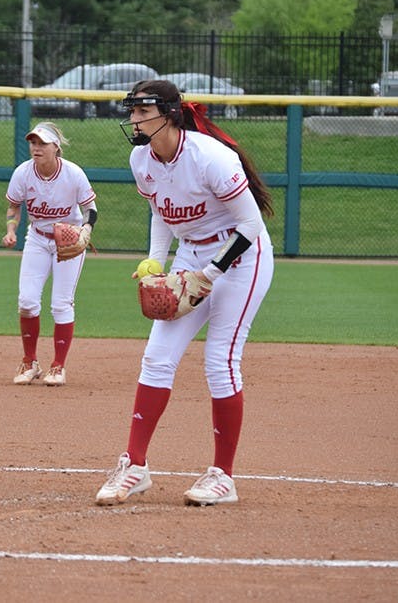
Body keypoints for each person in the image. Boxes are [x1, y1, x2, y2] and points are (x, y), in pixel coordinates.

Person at [95, 79, 275, 507]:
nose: (133, 120)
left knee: (220, 361)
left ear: (170, 115)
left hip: (242, 256)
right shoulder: (142, 159)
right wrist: (157, 261)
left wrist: (210, 274)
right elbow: (160, 211)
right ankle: (134, 466)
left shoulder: (211, 157)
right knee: (157, 356)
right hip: (191, 256)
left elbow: (250, 226)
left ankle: (222, 477)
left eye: (142, 112)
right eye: (132, 112)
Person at [2, 122, 97, 387]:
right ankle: (30, 362)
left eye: (42, 143)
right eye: (33, 142)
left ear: (56, 147)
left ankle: (58, 366)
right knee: (27, 301)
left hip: (69, 242)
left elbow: (90, 207)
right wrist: (11, 230)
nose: (36, 147)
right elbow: (13, 207)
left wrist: (86, 229)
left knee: (61, 303)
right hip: (38, 239)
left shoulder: (73, 174)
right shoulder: (22, 173)